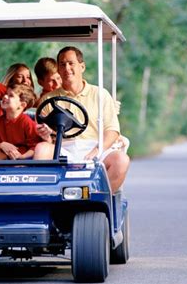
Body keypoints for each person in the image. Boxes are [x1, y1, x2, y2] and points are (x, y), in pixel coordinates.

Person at [33, 46, 130, 192]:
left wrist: (97, 150)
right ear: (58, 69)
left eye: (71, 63)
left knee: (121, 160)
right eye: (62, 64)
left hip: (94, 147)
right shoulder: (49, 99)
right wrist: (45, 135)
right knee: (41, 149)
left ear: (82, 67)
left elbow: (112, 130)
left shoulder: (100, 94)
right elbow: (47, 137)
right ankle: (46, 198)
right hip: (63, 148)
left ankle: (97, 198)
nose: (67, 68)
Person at [0, 84, 43, 159]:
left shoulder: (27, 122)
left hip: (23, 162)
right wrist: (1, 144)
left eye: (11, 95)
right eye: (6, 94)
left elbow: (35, 146)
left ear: (22, 105)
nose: (5, 96)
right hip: (3, 159)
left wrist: (21, 157)